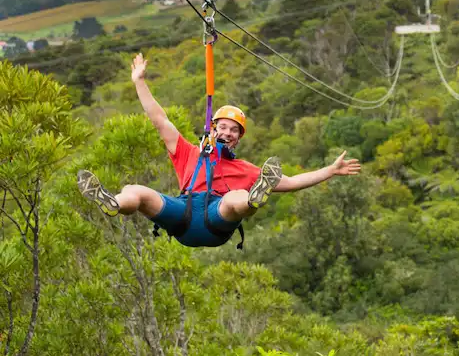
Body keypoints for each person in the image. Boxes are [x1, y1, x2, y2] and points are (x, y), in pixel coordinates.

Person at [76, 52, 362, 248]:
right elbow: (159, 119)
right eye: (222, 127)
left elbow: (291, 183)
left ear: (238, 138)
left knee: (237, 197)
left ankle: (253, 201)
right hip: (184, 213)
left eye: (233, 130)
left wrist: (330, 171)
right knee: (136, 191)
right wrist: (139, 81)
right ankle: (113, 203)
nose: (226, 132)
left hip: (216, 219)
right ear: (212, 130)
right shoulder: (188, 152)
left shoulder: (245, 170)